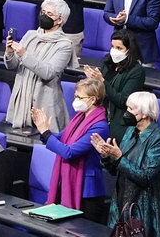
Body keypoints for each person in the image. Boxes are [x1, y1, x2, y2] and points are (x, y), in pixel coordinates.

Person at [92, 91, 160, 237]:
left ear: (144, 113)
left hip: (145, 210)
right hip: (123, 202)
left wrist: (119, 157)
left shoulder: (159, 139)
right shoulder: (131, 132)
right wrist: (107, 156)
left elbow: (145, 177)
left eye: (131, 108)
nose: (126, 111)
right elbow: (117, 169)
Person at [32, 77, 110, 221]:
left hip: (87, 192)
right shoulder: (79, 118)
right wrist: (43, 130)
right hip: (70, 183)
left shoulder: (100, 126)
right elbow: (59, 138)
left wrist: (46, 133)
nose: (76, 100)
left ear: (93, 99)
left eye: (79, 97)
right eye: (75, 96)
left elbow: (69, 152)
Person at [5, 0, 74, 132]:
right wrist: (10, 53)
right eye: (43, 12)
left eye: (49, 14)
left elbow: (48, 72)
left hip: (45, 103)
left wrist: (25, 55)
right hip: (22, 100)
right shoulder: (31, 35)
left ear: (60, 20)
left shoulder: (65, 44)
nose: (44, 16)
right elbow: (13, 66)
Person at [88, 31, 148, 142]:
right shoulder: (108, 62)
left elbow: (123, 101)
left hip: (120, 122)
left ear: (129, 50)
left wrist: (102, 81)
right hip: (101, 115)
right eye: (112, 46)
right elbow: (100, 90)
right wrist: (93, 81)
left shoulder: (136, 71)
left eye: (119, 48)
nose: (114, 51)